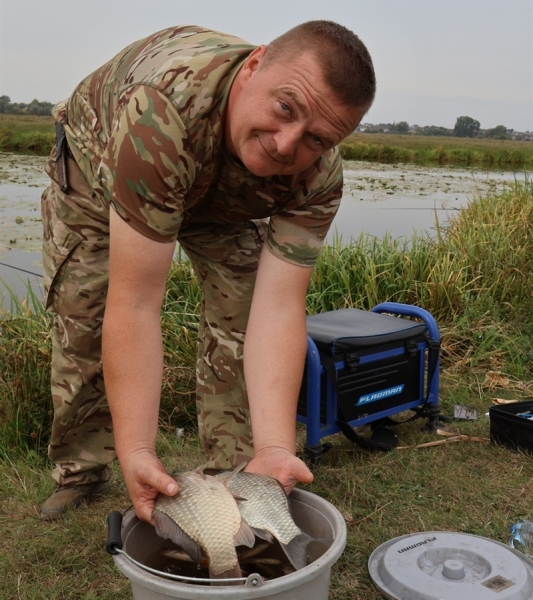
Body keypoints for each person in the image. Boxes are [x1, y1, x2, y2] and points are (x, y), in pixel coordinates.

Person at [39, 20, 375, 522]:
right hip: (106, 165)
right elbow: (135, 304)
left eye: (317, 137)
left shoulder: (317, 173)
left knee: (242, 300)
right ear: (255, 65)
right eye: (285, 108)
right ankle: (82, 470)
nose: (287, 145)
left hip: (223, 193)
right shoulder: (160, 110)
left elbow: (279, 306)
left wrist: (279, 444)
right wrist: (138, 450)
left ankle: (241, 470)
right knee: (82, 314)